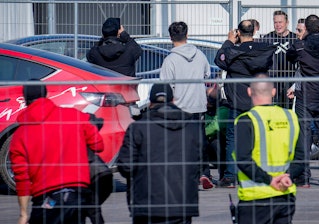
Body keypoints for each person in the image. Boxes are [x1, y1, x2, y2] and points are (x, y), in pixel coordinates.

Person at [9, 80, 104, 224]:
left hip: (45, 199)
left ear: (24, 99)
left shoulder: (20, 135)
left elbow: (22, 178)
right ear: (46, 94)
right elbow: (99, 145)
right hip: (76, 194)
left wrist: (23, 214)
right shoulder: (74, 116)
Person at [117, 83, 202, 223]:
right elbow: (200, 163)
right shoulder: (192, 127)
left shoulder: (138, 128)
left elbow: (126, 166)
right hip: (182, 203)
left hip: (147, 203)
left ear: (150, 103)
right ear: (173, 100)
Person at [214, 19, 277, 187]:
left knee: (233, 139)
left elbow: (219, 60)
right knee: (259, 138)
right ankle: (259, 173)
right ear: (254, 32)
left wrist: (228, 41)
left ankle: (230, 176)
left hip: (236, 101)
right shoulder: (263, 50)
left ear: (238, 33)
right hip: (258, 101)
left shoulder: (232, 51)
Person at [234, 73, 299, 224]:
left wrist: (269, 180)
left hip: (255, 197)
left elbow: (243, 160)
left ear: (249, 92)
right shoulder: (290, 117)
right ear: (274, 92)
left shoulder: (245, 120)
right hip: (285, 193)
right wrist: (287, 176)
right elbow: (302, 156)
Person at [287, 14, 319, 187]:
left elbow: (290, 56)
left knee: (304, 136)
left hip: (305, 95)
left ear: (307, 28)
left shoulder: (300, 45)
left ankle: (305, 176)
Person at [159, 21, 213, 189]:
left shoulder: (170, 60)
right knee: (199, 141)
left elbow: (165, 86)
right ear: (187, 35)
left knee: (179, 144)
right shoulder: (200, 55)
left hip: (179, 107)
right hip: (198, 105)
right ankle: (204, 172)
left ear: (170, 38)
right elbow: (207, 75)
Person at [260, 10, 297, 109]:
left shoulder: (295, 39)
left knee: (286, 110)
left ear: (287, 22)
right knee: (271, 109)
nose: (278, 25)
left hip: (289, 79)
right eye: (275, 22)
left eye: (280, 22)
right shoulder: (267, 38)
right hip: (272, 81)